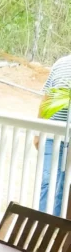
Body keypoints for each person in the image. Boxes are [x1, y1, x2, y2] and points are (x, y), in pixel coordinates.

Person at [37, 53, 71, 215]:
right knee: (47, 181)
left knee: (65, 186)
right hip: (52, 136)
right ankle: (43, 223)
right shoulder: (61, 63)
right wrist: (39, 131)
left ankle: (58, 224)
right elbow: (46, 99)